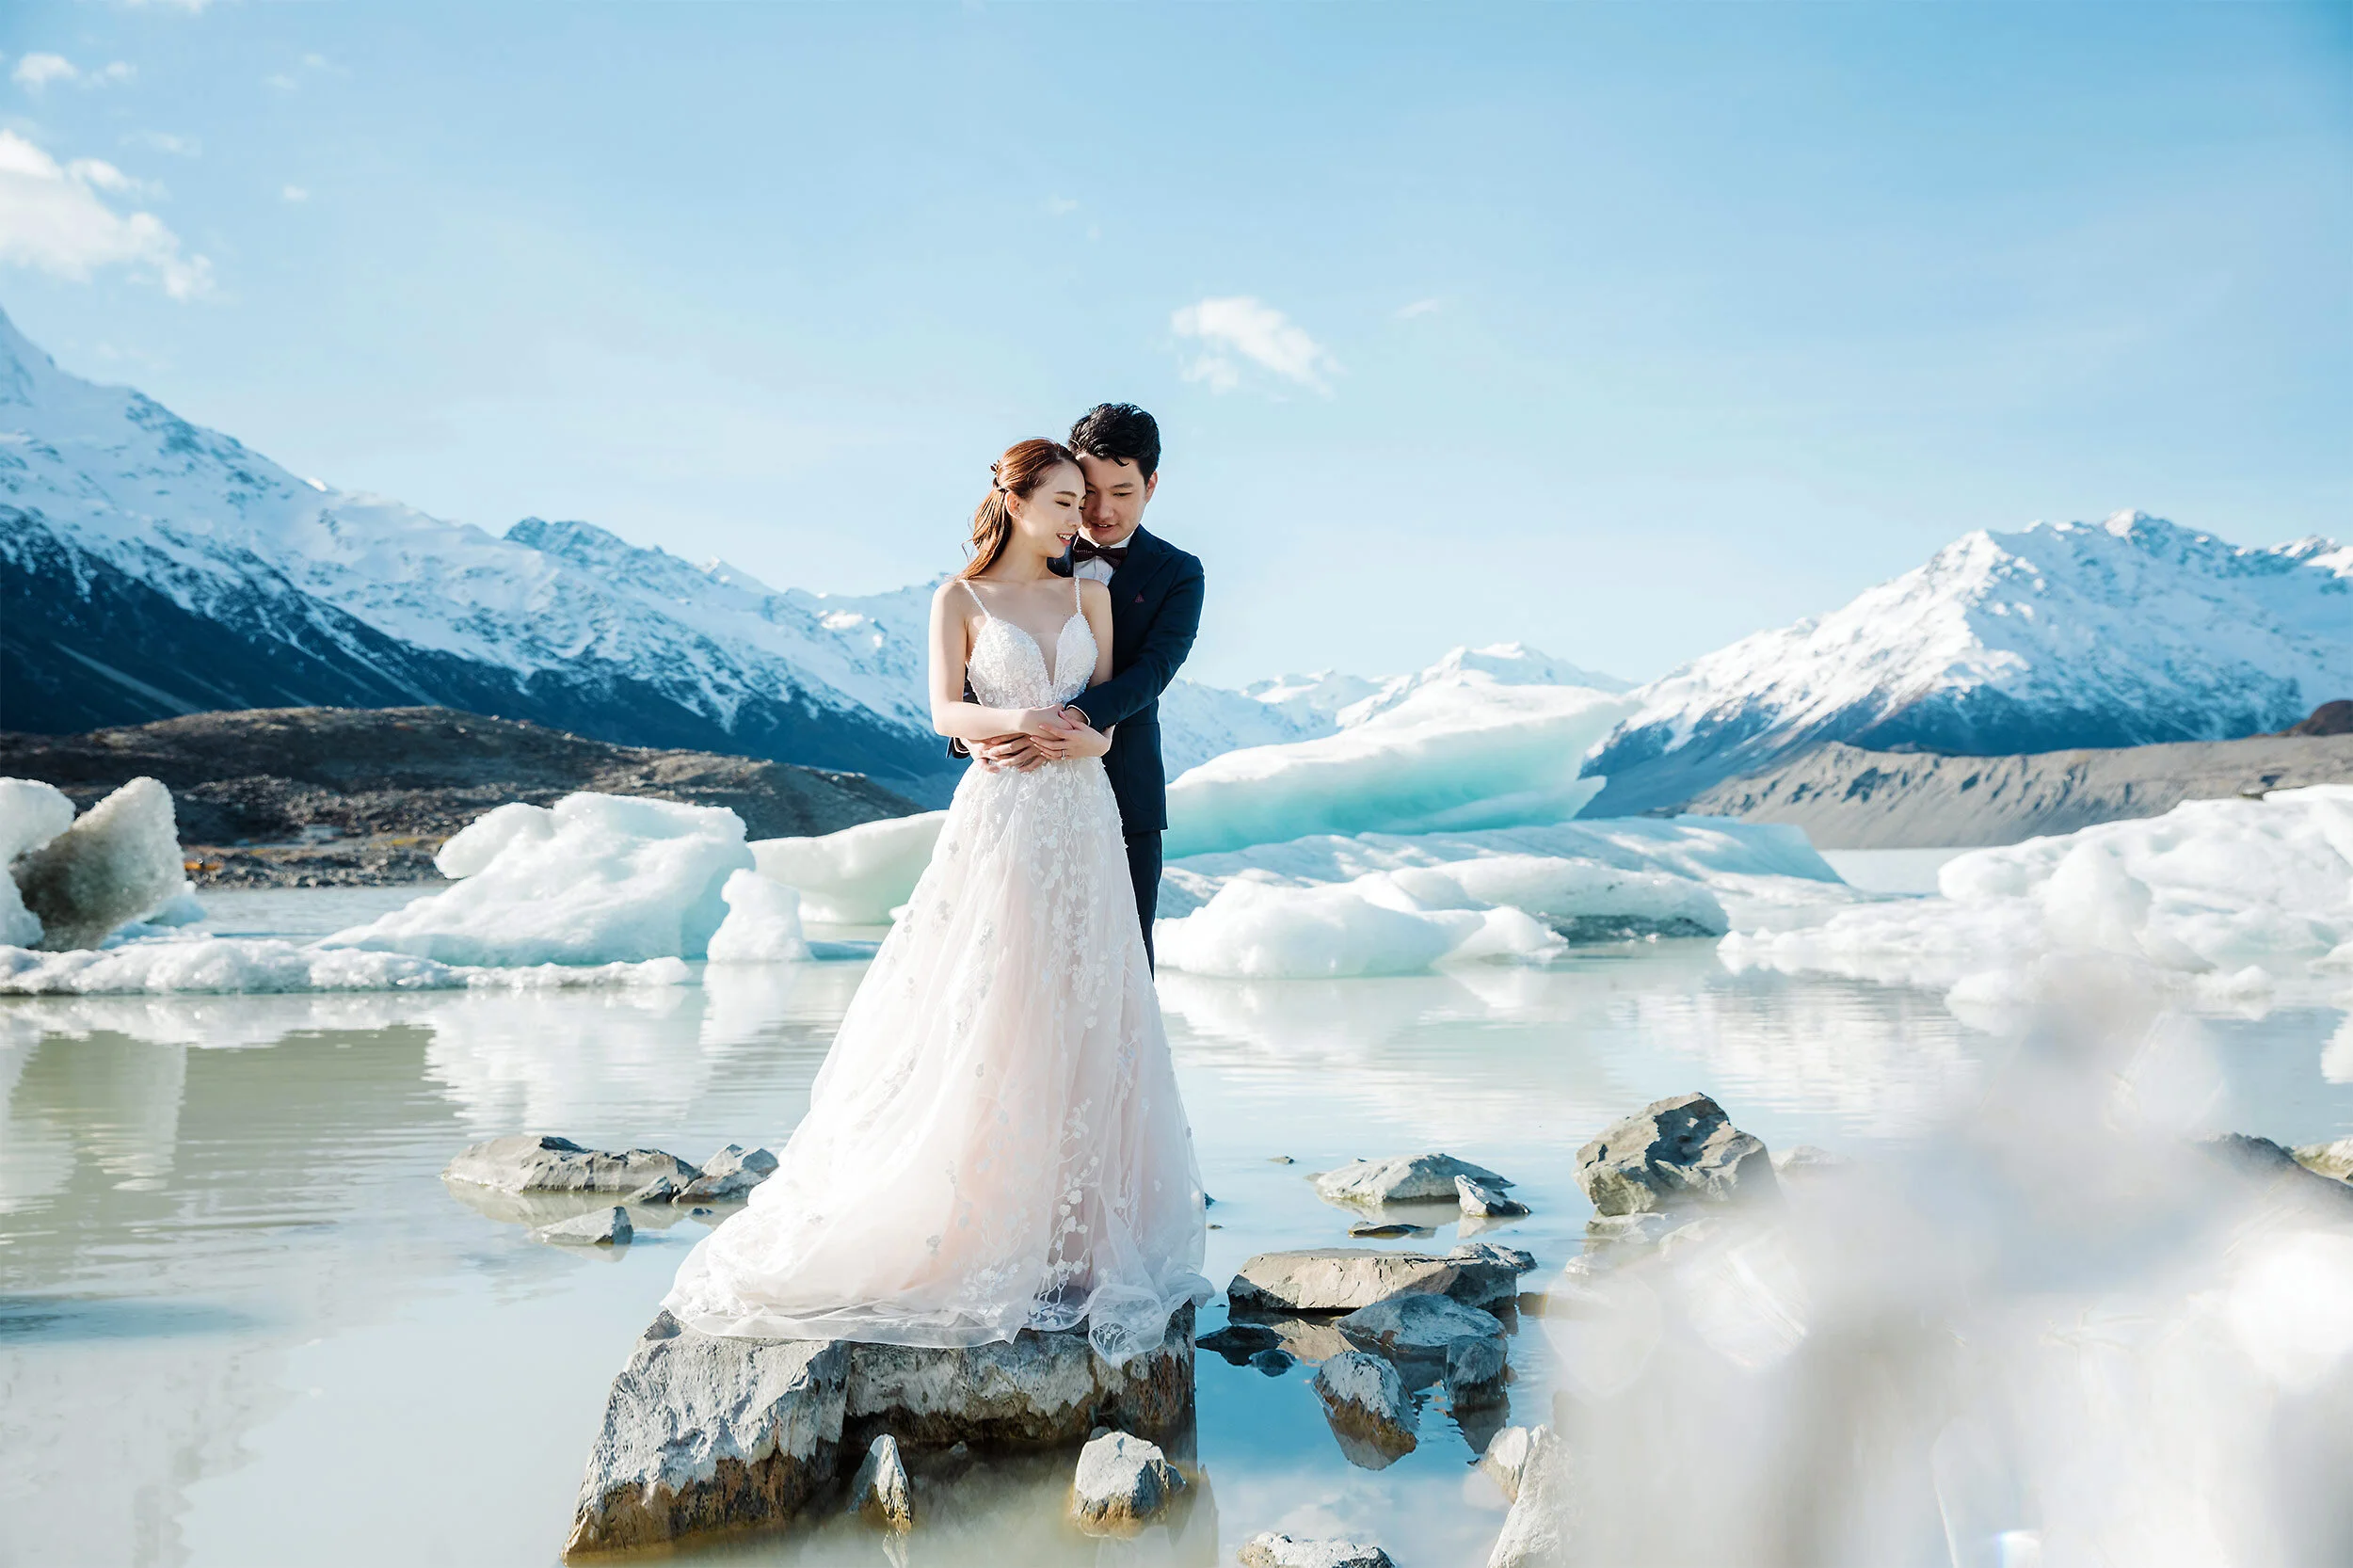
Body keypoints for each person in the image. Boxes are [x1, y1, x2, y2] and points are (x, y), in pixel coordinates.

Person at [662, 438, 1211, 1367]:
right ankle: (983, 1220)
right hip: (1002, 812)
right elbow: (944, 713)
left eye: (1093, 498)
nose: (1082, 515)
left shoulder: (1092, 595)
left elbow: (1115, 714)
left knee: (1085, 1006)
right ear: (1019, 497)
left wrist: (1081, 741)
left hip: (1083, 817)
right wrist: (1020, 722)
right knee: (992, 1000)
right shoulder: (956, 598)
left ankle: (1077, 1236)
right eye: (1067, 497)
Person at [963, 404, 1204, 966]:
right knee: (1013, 962)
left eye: (1122, 491)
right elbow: (981, 647)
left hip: (1126, 791)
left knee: (1122, 969)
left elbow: (1154, 670)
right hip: (1014, 780)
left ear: (1152, 484)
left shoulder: (1179, 571)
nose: (1100, 511)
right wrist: (979, 733)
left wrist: (1072, 721)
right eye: (1087, 491)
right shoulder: (1026, 553)